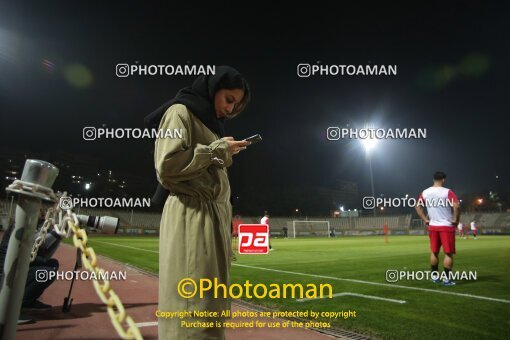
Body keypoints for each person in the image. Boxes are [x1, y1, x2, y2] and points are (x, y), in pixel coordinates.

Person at [147, 66, 251, 339]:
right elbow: (166, 165)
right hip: (191, 216)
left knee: (211, 306)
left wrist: (222, 150)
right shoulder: (180, 112)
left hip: (211, 218)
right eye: (229, 99)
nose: (230, 109)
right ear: (213, 89)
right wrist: (217, 150)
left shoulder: (211, 126)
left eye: (236, 104)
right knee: (193, 310)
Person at [0, 218, 60, 324]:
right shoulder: (20, 228)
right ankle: (13, 309)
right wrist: (57, 233)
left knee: (53, 264)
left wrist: (59, 237)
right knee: (47, 272)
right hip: (6, 274)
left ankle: (28, 301)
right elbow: (39, 248)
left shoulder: (28, 227)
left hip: (19, 268)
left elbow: (45, 254)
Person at [415, 171, 460, 286]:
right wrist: (456, 220)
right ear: (443, 179)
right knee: (448, 253)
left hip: (433, 226)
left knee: (434, 252)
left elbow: (418, 206)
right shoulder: (447, 192)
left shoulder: (425, 192)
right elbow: (456, 205)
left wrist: (425, 220)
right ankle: (447, 279)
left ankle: (435, 277)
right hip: (446, 226)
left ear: (433, 179)